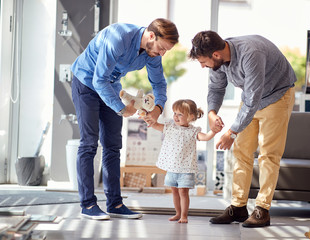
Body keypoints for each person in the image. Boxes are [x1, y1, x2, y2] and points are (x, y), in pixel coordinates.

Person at [71, 18, 179, 220]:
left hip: (110, 87)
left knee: (113, 145)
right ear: (151, 35)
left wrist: (158, 107)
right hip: (86, 83)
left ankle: (115, 204)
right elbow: (98, 79)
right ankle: (87, 204)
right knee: (89, 144)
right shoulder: (118, 38)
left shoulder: (152, 53)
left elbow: (159, 84)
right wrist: (122, 109)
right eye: (162, 48)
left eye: (166, 51)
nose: (162, 54)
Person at [189, 31, 296, 227]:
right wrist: (212, 113)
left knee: (268, 154)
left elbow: (253, 97)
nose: (203, 66)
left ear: (216, 55)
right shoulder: (220, 59)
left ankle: (262, 210)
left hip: (277, 96)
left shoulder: (251, 54)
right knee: (241, 151)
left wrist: (231, 132)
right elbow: (216, 88)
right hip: (251, 100)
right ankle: (238, 207)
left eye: (203, 62)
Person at [149, 99, 216, 223]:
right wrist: (147, 118)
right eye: (175, 113)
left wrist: (214, 131)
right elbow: (155, 125)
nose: (175, 116)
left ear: (191, 117)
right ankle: (177, 213)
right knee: (174, 191)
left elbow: (206, 137)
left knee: (183, 192)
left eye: (180, 114)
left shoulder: (193, 131)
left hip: (185, 169)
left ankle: (184, 215)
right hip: (172, 168)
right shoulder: (170, 127)